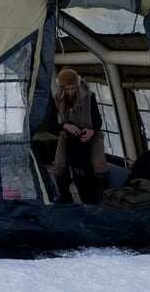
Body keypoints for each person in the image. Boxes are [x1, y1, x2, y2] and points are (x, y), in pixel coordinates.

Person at [52, 66, 109, 204]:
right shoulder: (57, 99)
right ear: (62, 89)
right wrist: (65, 126)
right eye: (67, 89)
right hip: (68, 134)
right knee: (59, 164)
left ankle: (100, 198)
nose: (70, 92)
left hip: (91, 132)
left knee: (99, 163)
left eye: (73, 88)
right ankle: (65, 197)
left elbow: (98, 121)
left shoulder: (89, 97)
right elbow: (50, 124)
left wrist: (91, 131)